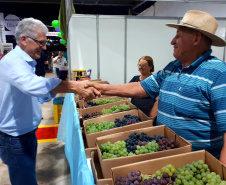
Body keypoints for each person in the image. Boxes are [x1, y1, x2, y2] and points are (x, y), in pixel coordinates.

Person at [86, 10, 226, 165]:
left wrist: (222, 172)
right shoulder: (172, 68)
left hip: (194, 167)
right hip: (161, 158)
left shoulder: (219, 73)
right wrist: (100, 88)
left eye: (178, 35)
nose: (172, 41)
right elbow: (140, 88)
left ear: (196, 39)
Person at [0, 18, 100, 185]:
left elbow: (34, 95)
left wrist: (62, 88)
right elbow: (33, 86)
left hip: (25, 133)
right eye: (41, 42)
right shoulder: (12, 62)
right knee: (25, 181)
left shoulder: (24, 62)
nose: (45, 47)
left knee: (27, 175)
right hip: (15, 138)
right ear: (24, 39)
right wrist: (72, 86)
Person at [129, 56, 158, 121]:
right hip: (134, 115)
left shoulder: (155, 81)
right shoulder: (135, 78)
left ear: (150, 67)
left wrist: (151, 118)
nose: (141, 67)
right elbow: (127, 92)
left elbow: (158, 101)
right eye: (139, 65)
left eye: (144, 65)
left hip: (148, 116)